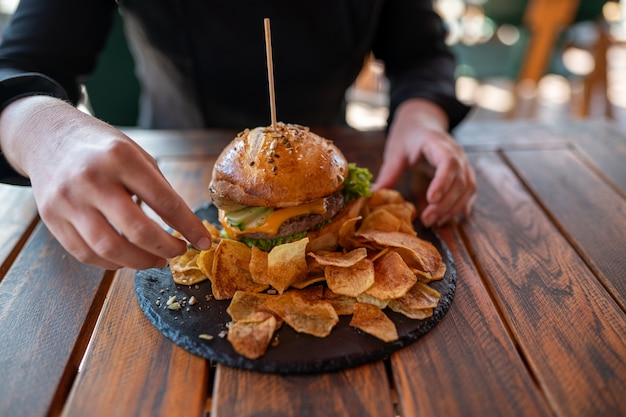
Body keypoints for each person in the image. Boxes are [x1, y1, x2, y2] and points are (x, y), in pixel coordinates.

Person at [0, 0, 476, 270]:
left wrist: (421, 113)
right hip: (164, 180)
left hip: (328, 150)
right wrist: (47, 132)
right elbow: (20, 59)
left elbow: (421, 51)